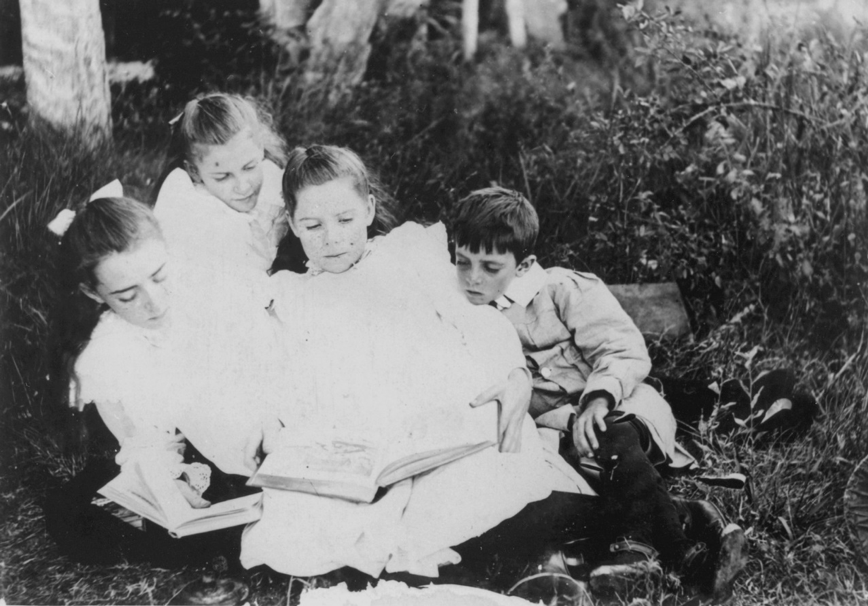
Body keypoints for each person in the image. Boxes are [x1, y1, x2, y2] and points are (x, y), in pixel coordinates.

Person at [240, 146, 599, 590]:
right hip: (352, 433)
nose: (332, 237)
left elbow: (477, 321)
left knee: (470, 482)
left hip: (432, 416)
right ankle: (480, 564)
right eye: (313, 226)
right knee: (305, 525)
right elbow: (278, 376)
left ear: (369, 209)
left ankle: (535, 552)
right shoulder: (291, 294)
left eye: (345, 220)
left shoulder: (407, 256)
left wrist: (515, 377)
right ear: (293, 224)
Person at [450, 186, 747, 602]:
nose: (472, 277)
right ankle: (681, 521)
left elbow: (621, 348)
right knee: (552, 497)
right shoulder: (468, 315)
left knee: (611, 435)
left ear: (524, 265)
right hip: (561, 434)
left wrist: (597, 401)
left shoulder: (562, 290)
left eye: (489, 266)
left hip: (623, 408)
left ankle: (679, 560)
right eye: (462, 262)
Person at [44, 190, 279, 569]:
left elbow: (266, 362)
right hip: (199, 446)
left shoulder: (212, 288)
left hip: (259, 424)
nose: (153, 302)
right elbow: (145, 437)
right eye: (126, 296)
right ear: (94, 292)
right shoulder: (110, 351)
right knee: (86, 518)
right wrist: (173, 479)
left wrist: (269, 420)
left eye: (158, 276)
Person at [152, 92, 306, 282]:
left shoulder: (272, 179)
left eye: (249, 167)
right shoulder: (193, 211)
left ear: (260, 150)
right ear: (194, 172)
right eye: (223, 177)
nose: (243, 187)